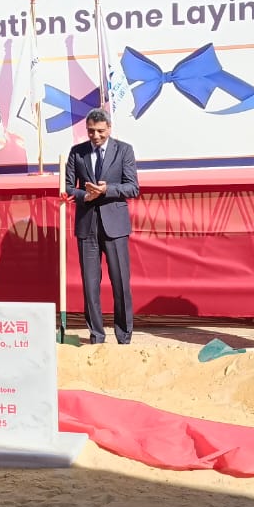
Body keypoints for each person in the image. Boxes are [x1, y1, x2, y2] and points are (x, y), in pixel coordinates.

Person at [65, 108, 139, 344]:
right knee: (90, 284)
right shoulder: (77, 152)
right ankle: (96, 335)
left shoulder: (124, 150)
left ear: (109, 128)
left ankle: (124, 336)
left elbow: (133, 187)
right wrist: (84, 196)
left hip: (114, 225)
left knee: (120, 282)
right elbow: (68, 187)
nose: (95, 136)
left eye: (100, 131)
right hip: (87, 226)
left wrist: (108, 190)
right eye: (91, 131)